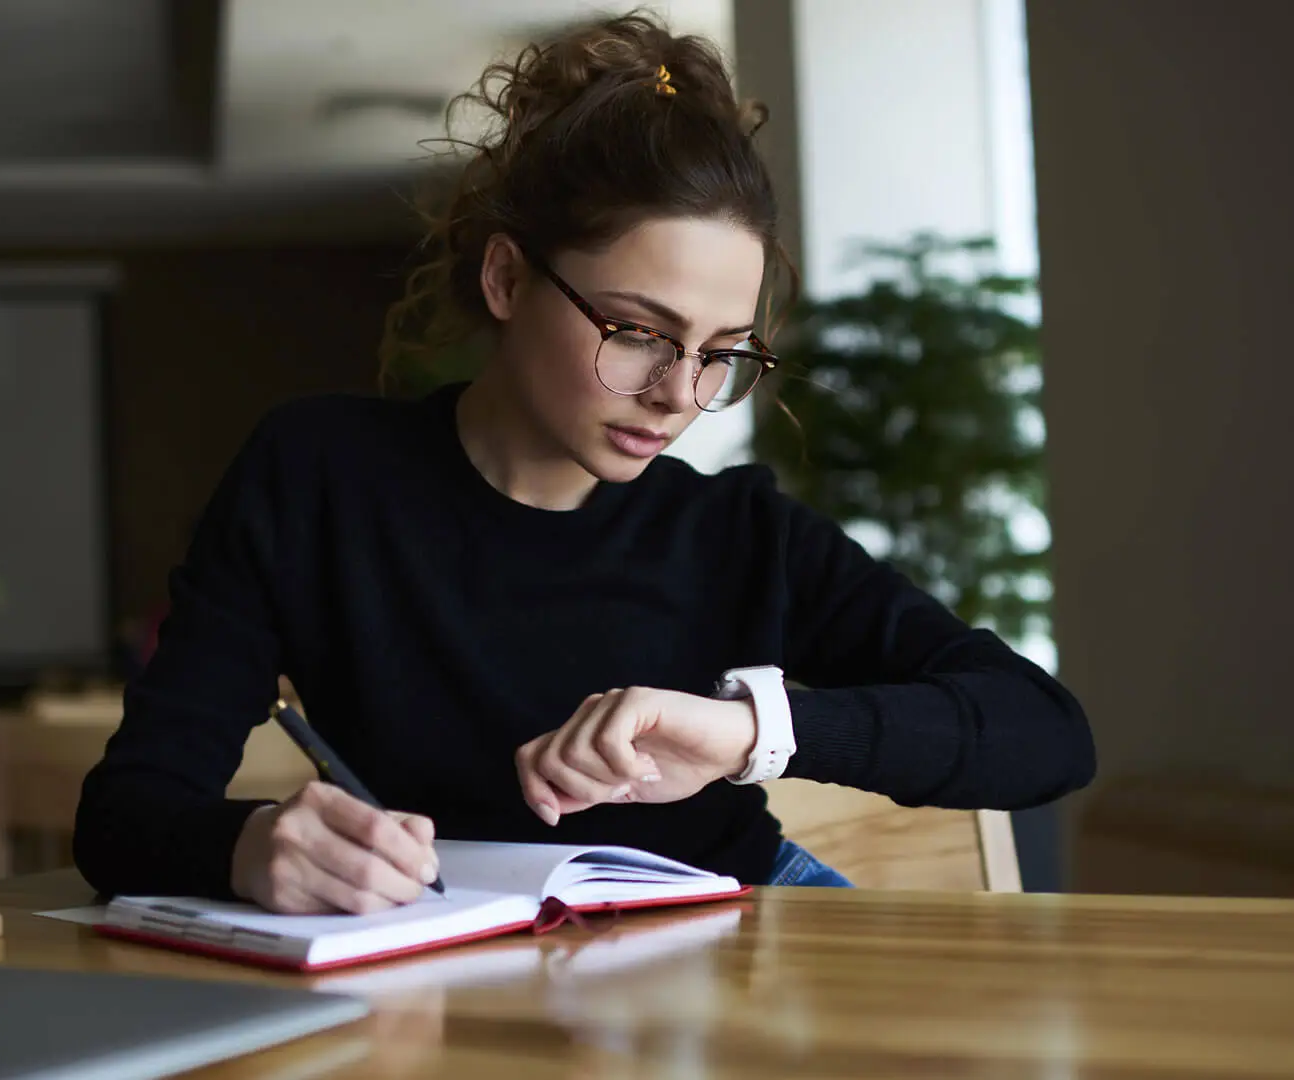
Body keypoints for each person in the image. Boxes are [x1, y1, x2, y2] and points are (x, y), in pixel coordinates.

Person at [74, 14, 1093, 913]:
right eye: (639, 331)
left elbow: (1045, 733)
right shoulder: (317, 478)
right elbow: (127, 816)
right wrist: (251, 847)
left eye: (721, 353)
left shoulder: (735, 532)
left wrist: (747, 733)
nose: (679, 395)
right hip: (457, 952)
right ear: (509, 278)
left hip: (739, 933)